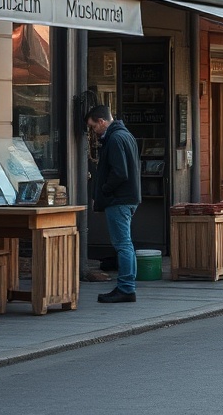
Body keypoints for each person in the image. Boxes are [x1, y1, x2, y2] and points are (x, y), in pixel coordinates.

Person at [87, 104, 141, 303]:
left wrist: (103, 190)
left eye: (94, 126)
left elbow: (120, 172)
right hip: (128, 198)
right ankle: (128, 286)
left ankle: (126, 287)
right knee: (126, 244)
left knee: (123, 244)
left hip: (119, 199)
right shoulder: (125, 135)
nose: (94, 131)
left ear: (102, 121)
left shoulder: (115, 138)